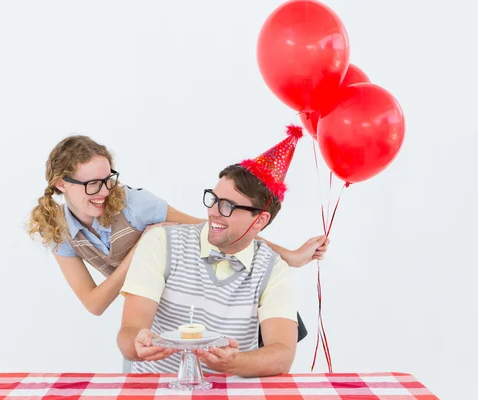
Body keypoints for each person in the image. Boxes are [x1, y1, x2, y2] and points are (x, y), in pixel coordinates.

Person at [26, 134, 328, 317]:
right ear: (61, 184)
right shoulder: (58, 231)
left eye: (108, 179)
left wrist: (289, 254)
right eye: (93, 184)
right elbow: (94, 303)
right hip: (158, 312)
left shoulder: (133, 204)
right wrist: (139, 252)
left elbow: (215, 229)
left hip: (210, 292)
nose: (105, 191)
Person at [117, 125, 305, 376]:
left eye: (227, 205)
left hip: (231, 392)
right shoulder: (161, 242)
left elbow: (282, 354)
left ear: (259, 220)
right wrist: (136, 344)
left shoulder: (274, 269)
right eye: (213, 199)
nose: (214, 211)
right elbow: (129, 332)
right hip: (159, 388)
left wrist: (234, 363)